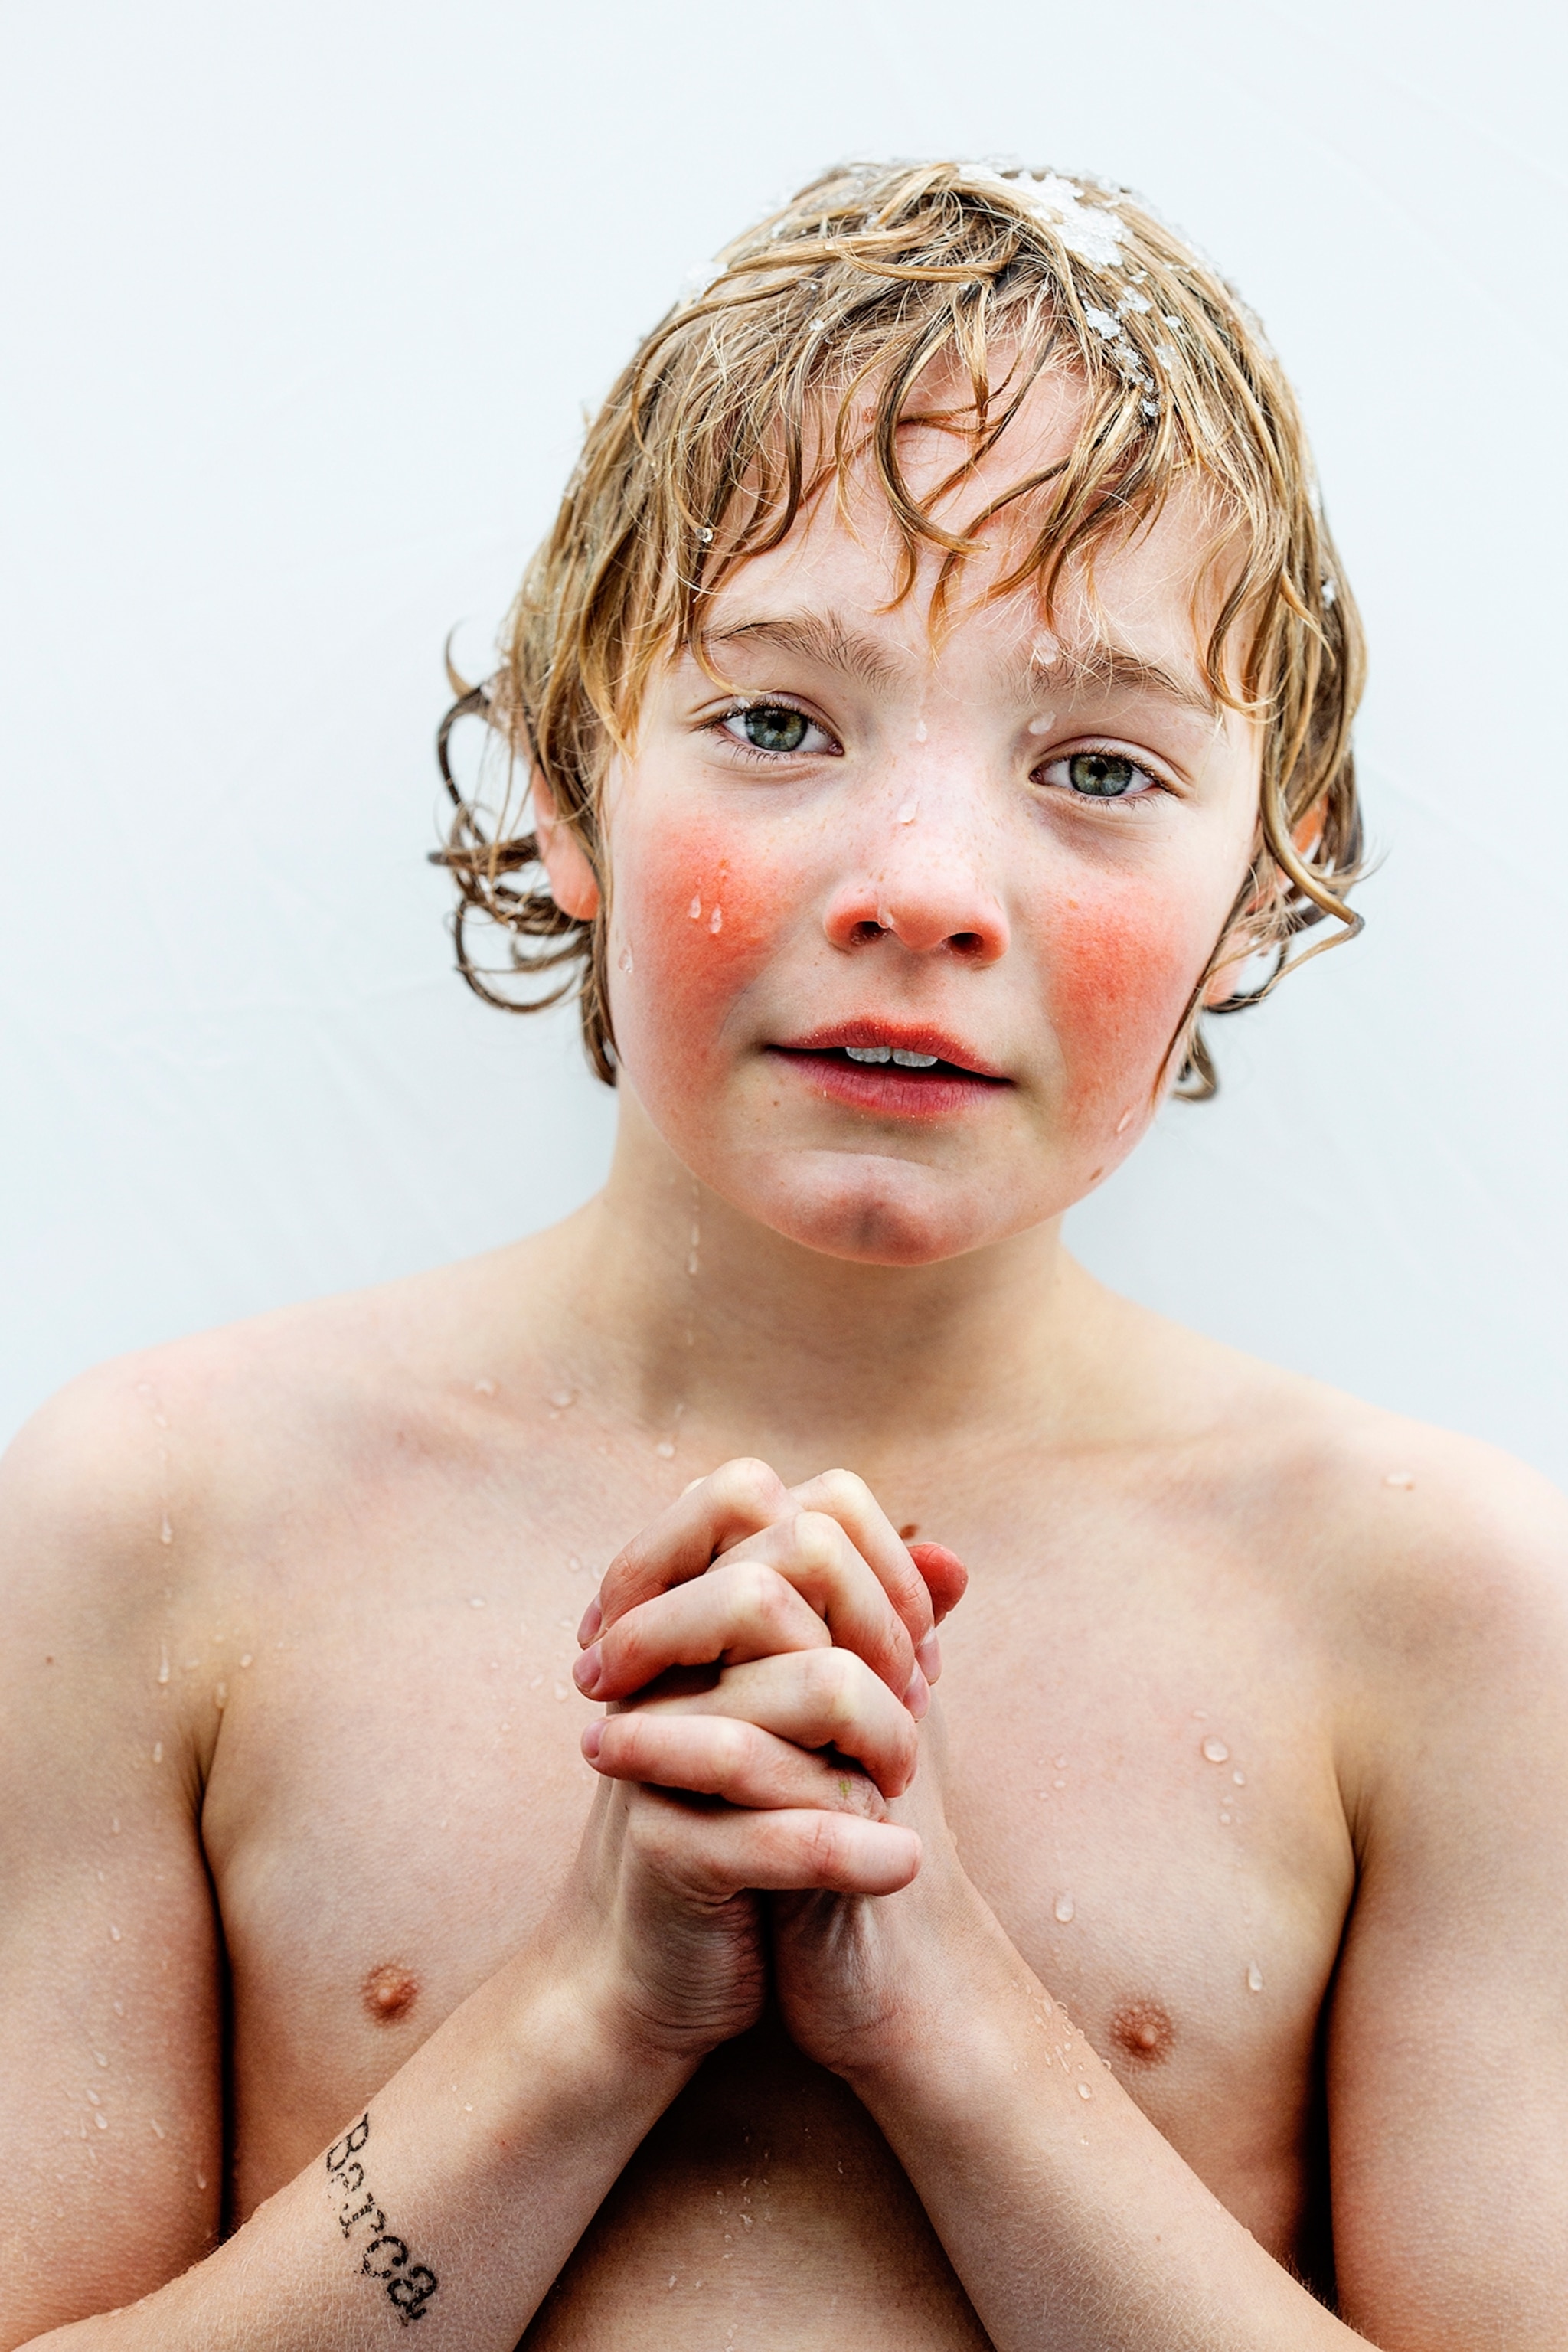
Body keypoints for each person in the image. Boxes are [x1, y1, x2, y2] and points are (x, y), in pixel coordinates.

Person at [3, 158, 1565, 2352]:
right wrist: (575, 2023)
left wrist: (956, 2034)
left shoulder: (1440, 1613)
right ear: (569, 778)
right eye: (774, 723)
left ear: (1264, 876)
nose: (923, 885)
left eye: (1100, 764)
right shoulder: (161, 1524)